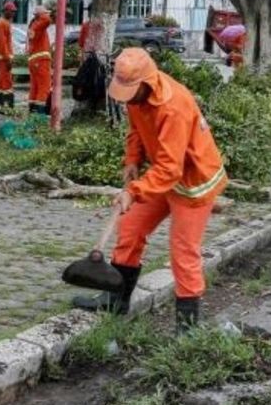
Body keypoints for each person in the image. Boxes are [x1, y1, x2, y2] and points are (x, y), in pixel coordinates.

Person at [74, 48, 228, 333]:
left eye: (130, 90)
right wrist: (132, 160)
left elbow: (172, 169)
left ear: (147, 82)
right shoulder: (137, 95)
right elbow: (136, 130)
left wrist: (134, 191)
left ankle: (188, 329)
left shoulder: (174, 107)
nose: (126, 97)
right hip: (162, 175)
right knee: (130, 227)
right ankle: (116, 301)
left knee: (183, 252)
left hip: (194, 181)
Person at [26, 6, 53, 115]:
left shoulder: (33, 25)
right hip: (41, 60)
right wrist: (44, 13)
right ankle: (39, 116)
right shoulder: (39, 24)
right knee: (44, 87)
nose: (48, 15)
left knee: (35, 88)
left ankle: (32, 113)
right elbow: (47, 20)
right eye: (46, 13)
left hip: (34, 60)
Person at [0, 1, 17, 112]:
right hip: (3, 58)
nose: (13, 14)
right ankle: (8, 107)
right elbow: (3, 43)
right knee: (6, 82)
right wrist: (7, 59)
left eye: (14, 12)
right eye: (11, 11)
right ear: (6, 11)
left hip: (3, 57)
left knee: (1, 82)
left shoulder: (3, 22)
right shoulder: (2, 23)